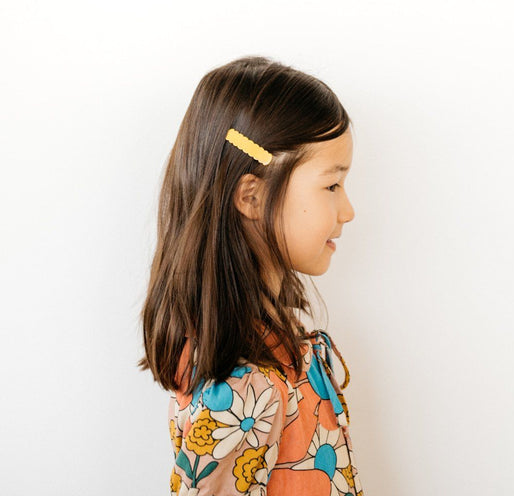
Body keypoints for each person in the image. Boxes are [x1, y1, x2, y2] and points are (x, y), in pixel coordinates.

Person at [138, 55, 363, 495]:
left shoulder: (276, 343)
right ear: (252, 197)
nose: (348, 210)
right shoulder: (241, 390)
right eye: (332, 186)